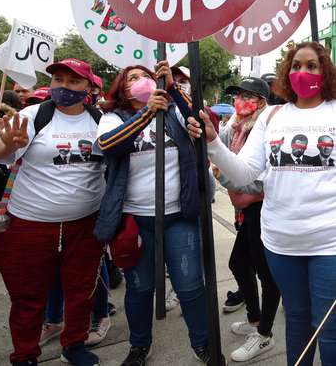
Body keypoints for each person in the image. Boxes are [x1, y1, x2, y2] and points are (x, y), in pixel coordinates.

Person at [187, 41, 336, 366]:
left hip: (330, 244)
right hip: (281, 243)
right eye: (297, 65)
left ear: (325, 72)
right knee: (296, 320)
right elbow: (245, 173)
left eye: (312, 66)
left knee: (329, 329)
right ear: (286, 72)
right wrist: (213, 142)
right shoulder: (272, 116)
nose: (303, 72)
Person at [0, 58, 106, 366]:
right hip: (29, 226)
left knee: (81, 292)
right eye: (58, 80)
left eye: (73, 81)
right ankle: (25, 354)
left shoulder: (101, 120)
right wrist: (8, 144)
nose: (64, 87)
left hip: (84, 226)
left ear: (89, 88)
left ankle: (75, 345)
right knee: (28, 296)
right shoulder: (33, 115)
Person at [95, 62, 210, 365]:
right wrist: (146, 114)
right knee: (141, 287)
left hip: (178, 216)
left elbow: (200, 118)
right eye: (132, 78)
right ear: (123, 88)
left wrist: (172, 88)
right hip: (135, 220)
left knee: (190, 285)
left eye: (145, 75)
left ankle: (203, 343)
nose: (140, 80)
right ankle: (139, 346)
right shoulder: (111, 118)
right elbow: (107, 145)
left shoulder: (172, 112)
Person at [216, 78, 280, 362]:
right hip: (246, 208)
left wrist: (246, 193)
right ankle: (255, 320)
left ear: (263, 102)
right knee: (239, 263)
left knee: (266, 274)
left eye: (248, 96)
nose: (241, 100)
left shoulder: (266, 130)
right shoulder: (236, 129)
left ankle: (264, 334)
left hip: (261, 208)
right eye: (238, 95)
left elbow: (266, 175)